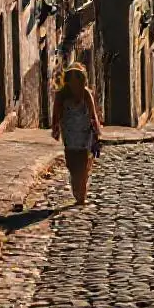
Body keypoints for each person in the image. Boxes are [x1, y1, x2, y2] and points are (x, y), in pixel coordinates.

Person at [51, 65, 102, 205]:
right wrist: (55, 128)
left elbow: (92, 113)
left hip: (85, 134)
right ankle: (77, 190)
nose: (75, 80)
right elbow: (56, 113)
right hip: (69, 134)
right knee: (72, 164)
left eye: (77, 77)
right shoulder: (61, 95)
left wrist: (96, 131)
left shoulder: (86, 94)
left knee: (84, 162)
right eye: (72, 76)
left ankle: (81, 195)